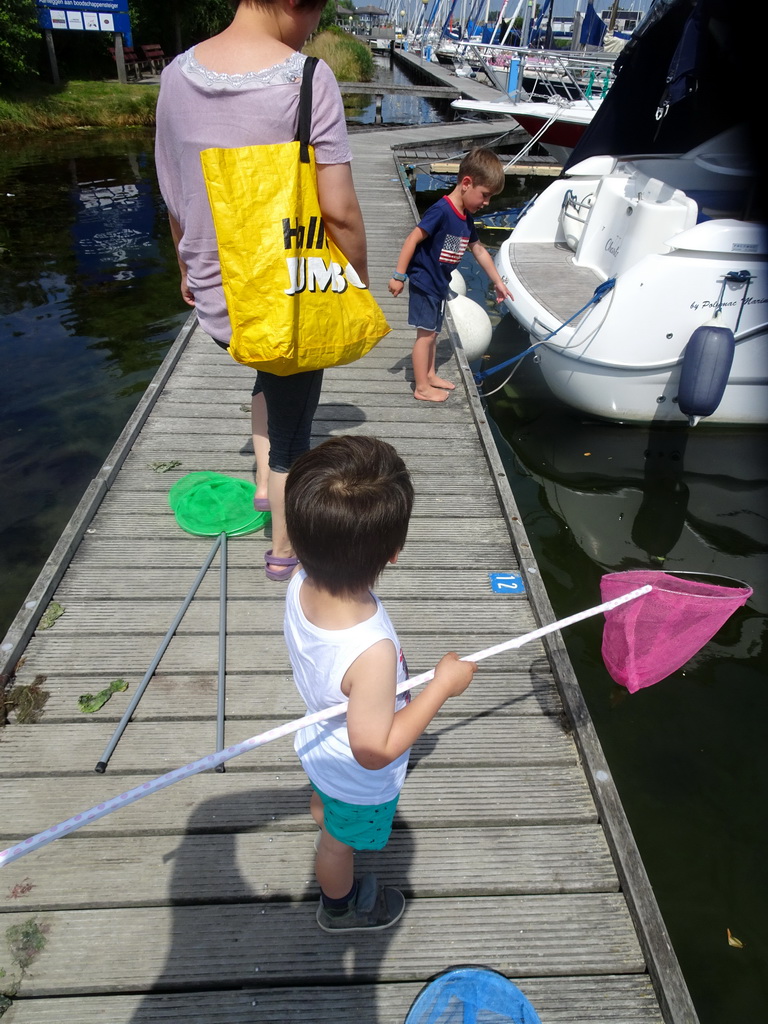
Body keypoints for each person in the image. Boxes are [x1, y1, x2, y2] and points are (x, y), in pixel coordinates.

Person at [154, 0, 369, 581]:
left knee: (266, 377)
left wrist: (184, 266)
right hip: (287, 295)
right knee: (296, 431)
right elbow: (340, 212)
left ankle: (258, 484)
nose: (313, 28)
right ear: (298, 5)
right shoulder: (306, 77)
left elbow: (173, 189)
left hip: (221, 297)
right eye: (316, 13)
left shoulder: (174, 76)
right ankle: (284, 550)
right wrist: (354, 281)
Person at [283, 435, 477, 931]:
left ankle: (323, 808)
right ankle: (340, 909)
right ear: (394, 552)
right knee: (338, 845)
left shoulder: (301, 581)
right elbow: (373, 748)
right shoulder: (371, 652)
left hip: (321, 745)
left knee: (328, 812)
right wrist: (442, 686)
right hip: (355, 774)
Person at [388, 147, 513, 403]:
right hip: (425, 281)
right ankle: (421, 386)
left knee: (433, 332)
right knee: (425, 335)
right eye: (485, 195)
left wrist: (498, 282)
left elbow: (478, 250)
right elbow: (413, 238)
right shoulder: (441, 211)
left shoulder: (465, 218)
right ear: (467, 183)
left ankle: (430, 374)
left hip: (439, 284)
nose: (487, 203)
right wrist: (399, 275)